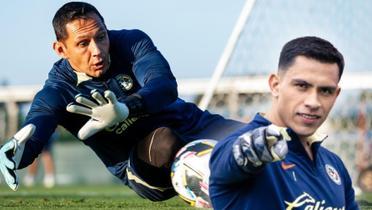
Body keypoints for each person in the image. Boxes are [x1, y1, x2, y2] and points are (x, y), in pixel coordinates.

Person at [0, 1, 244, 201]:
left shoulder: (131, 43)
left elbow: (164, 85)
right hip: (147, 164)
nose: (97, 50)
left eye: (101, 37)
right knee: (165, 141)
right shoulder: (57, 91)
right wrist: (16, 154)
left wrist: (127, 108)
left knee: (258, 137)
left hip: (195, 125)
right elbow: (34, 130)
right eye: (83, 44)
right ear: (61, 50)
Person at [209, 36, 359, 209]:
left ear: (336, 94)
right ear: (275, 85)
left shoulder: (334, 164)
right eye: (302, 86)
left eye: (325, 90)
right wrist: (249, 150)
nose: (313, 102)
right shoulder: (246, 146)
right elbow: (227, 160)